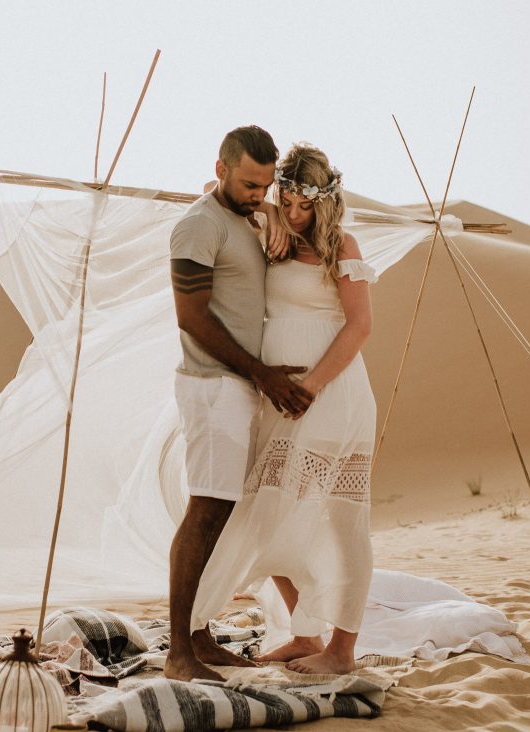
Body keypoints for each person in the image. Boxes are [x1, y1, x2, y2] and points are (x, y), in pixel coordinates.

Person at [191, 142, 377, 675]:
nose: (296, 215)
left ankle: (340, 651)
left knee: (343, 521)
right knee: (267, 509)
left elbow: (360, 326)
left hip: (330, 394)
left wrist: (311, 387)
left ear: (327, 201)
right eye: (287, 201)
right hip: (275, 396)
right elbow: (208, 194)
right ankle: (305, 633)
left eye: (305, 206)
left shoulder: (342, 245)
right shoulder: (268, 229)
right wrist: (266, 210)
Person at [164, 126, 316, 682]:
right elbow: (192, 317)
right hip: (211, 386)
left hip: (239, 387)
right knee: (205, 510)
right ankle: (179, 652)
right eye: (251, 184)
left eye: (265, 185)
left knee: (224, 511)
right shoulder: (198, 225)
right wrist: (263, 376)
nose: (261, 194)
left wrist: (267, 211)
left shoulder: (246, 216)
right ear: (221, 168)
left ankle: (200, 639)